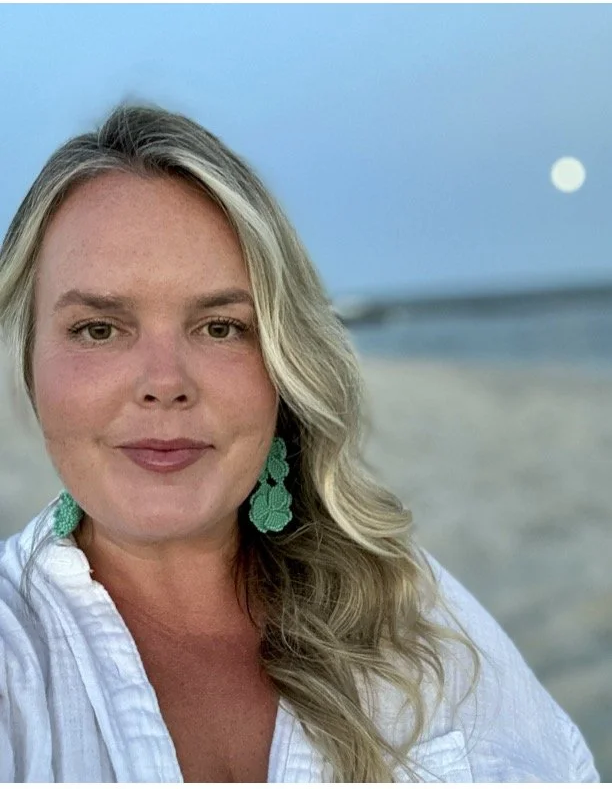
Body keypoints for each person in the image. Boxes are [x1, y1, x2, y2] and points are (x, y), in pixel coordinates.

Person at [0, 102, 600, 783]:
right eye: (100, 330)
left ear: (284, 365)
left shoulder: (409, 607)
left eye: (221, 327)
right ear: (31, 364)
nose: (164, 384)